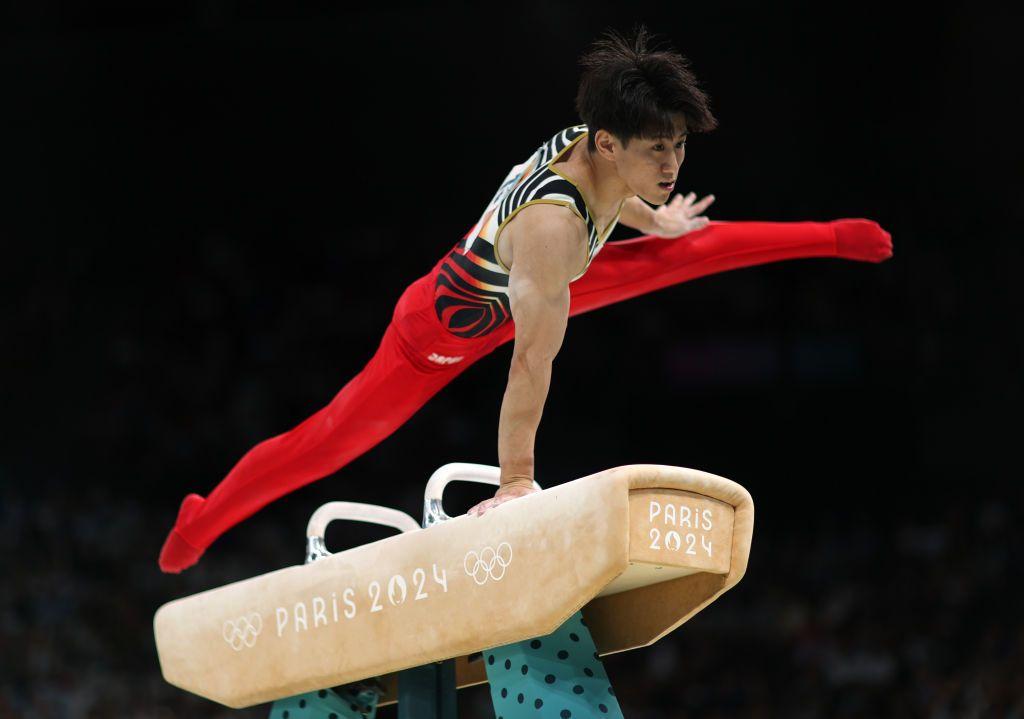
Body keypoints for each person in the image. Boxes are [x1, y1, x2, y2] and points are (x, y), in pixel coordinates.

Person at [158, 26, 892, 573]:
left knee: (683, 245)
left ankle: (829, 236)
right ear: (608, 144)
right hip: (441, 331)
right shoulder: (552, 230)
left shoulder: (596, 144)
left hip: (533, 286)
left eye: (677, 148)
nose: (670, 166)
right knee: (326, 441)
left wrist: (656, 215)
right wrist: (515, 482)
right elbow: (531, 365)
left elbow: (618, 196)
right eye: (655, 152)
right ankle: (203, 520)